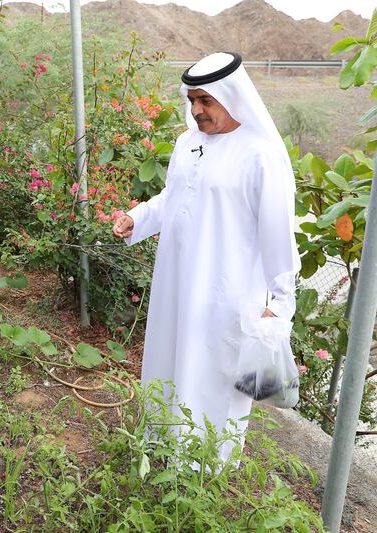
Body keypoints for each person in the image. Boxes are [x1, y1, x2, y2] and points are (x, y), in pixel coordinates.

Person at [112, 52, 301, 460]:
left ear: (230, 97)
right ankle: (160, 448)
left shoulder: (259, 155)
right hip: (175, 281)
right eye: (192, 100)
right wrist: (136, 218)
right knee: (169, 357)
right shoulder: (187, 142)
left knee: (213, 373)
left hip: (225, 290)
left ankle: (203, 467)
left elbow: (277, 232)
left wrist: (281, 301)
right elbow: (173, 198)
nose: (195, 110)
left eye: (205, 101)